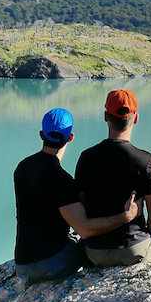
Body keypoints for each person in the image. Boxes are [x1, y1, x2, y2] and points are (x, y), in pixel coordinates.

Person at [13, 107, 139, 282]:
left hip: (22, 264)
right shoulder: (62, 180)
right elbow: (85, 229)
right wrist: (125, 216)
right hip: (49, 264)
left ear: (42, 134)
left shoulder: (22, 167)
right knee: (90, 248)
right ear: (70, 137)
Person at [75, 89, 151, 267]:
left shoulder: (86, 158)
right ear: (135, 117)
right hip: (134, 248)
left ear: (106, 116)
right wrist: (149, 240)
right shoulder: (146, 160)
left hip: (94, 251)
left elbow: (81, 207)